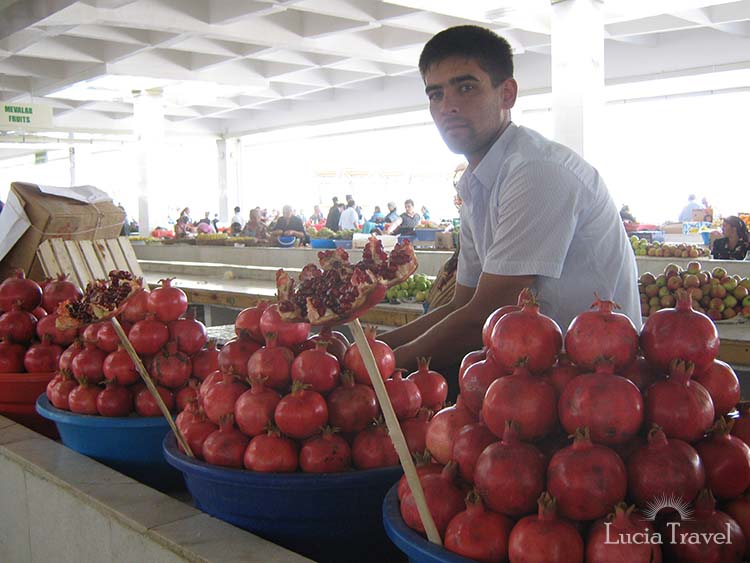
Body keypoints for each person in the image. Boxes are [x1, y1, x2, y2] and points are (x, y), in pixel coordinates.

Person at [379, 25, 640, 374]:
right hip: (526, 378)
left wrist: (375, 371)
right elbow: (463, 304)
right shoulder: (476, 185)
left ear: (507, 95)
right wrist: (370, 350)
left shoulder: (537, 171)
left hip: (594, 385)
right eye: (435, 95)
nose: (448, 106)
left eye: (466, 87)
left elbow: (485, 316)